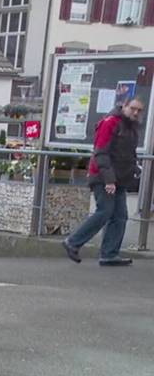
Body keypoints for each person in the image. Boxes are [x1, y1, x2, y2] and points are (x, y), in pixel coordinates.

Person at [63, 98, 144, 266]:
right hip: (103, 177)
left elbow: (127, 153)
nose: (136, 113)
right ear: (124, 106)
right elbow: (101, 152)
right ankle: (73, 242)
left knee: (120, 216)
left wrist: (133, 169)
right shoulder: (110, 123)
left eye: (139, 110)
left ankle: (109, 254)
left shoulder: (130, 127)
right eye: (133, 108)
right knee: (105, 211)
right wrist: (109, 180)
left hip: (119, 178)